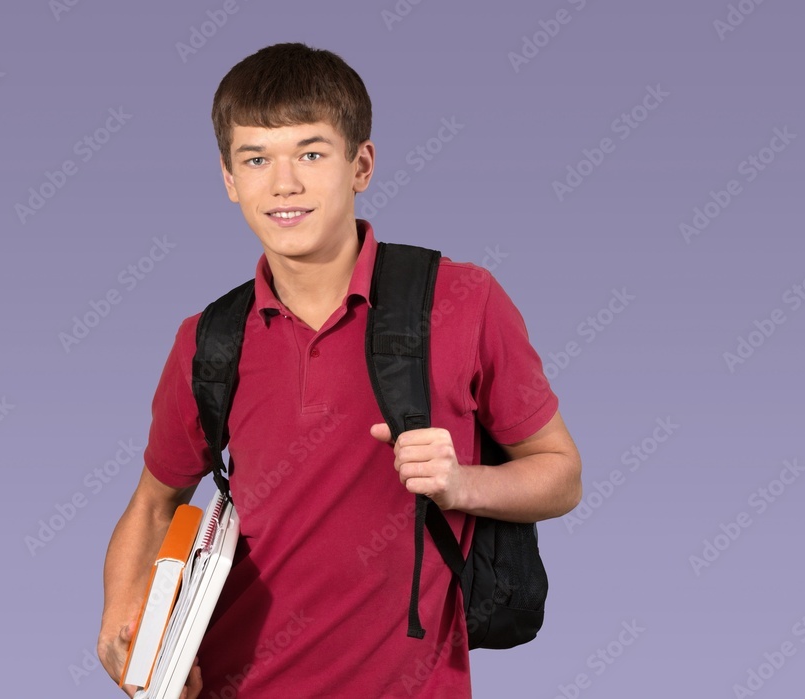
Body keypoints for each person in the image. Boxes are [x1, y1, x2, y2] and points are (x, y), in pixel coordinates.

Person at [98, 42, 582, 698]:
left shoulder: (462, 300)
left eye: (312, 153)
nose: (284, 182)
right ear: (229, 179)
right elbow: (155, 503)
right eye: (256, 158)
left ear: (362, 164)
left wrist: (462, 484)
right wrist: (124, 622)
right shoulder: (209, 340)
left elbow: (561, 474)